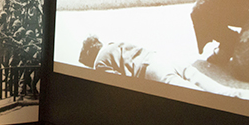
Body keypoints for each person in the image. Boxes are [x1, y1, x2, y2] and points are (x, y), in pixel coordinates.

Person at [79, 36, 240, 97]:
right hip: (162, 58)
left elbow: (120, 87)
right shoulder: (113, 44)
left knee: (197, 98)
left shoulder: (98, 63)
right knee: (219, 91)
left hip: (150, 72)